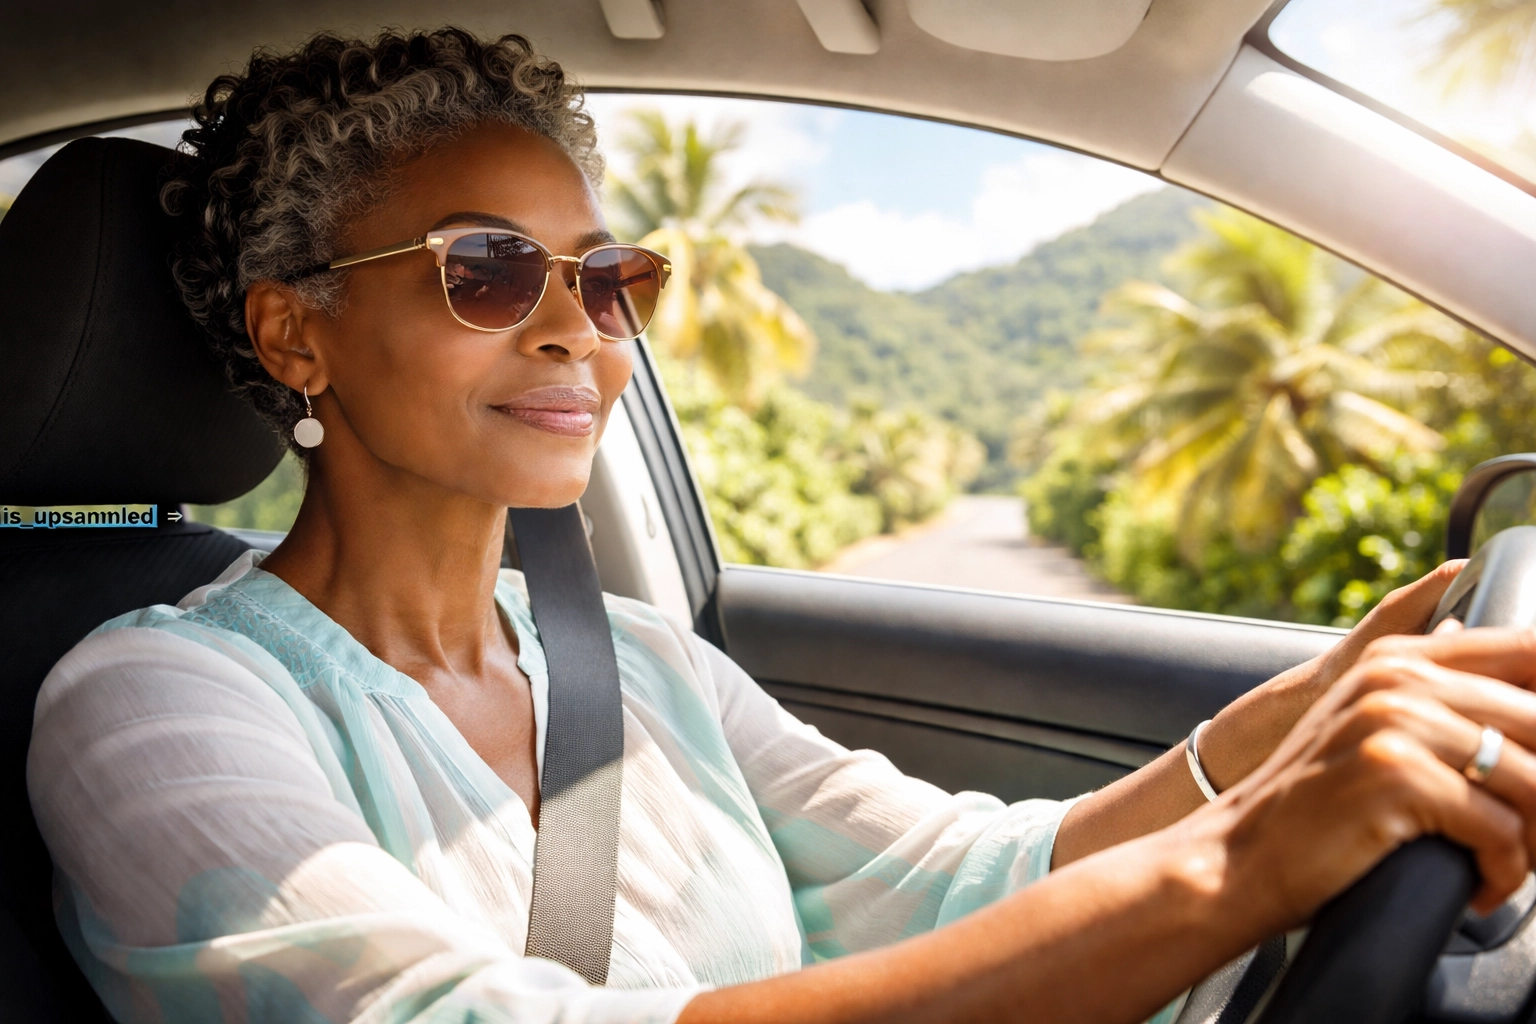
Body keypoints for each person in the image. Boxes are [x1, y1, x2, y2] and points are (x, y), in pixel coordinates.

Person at [27, 28, 1536, 1024]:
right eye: (487, 270)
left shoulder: (630, 662)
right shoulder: (151, 702)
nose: (581, 334)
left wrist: (1279, 732)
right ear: (298, 335)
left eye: (606, 279)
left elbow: (957, 873)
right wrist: (1231, 870)